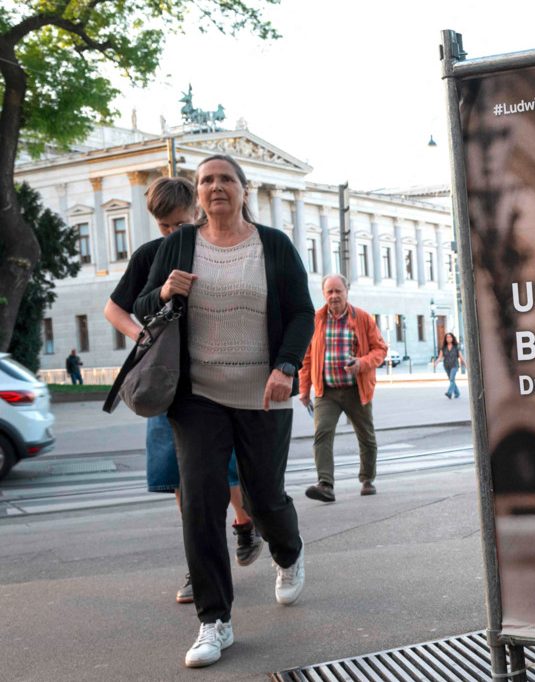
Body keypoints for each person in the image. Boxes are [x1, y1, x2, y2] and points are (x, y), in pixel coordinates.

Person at [134, 154, 313, 668]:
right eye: (207, 180)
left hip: (264, 393)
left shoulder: (272, 245)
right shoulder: (179, 244)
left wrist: (285, 366)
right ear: (198, 191)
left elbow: (302, 311)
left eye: (225, 179)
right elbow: (144, 305)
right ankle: (215, 621)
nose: (216, 187)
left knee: (262, 496)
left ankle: (289, 552)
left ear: (242, 188)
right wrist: (165, 290)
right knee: (200, 503)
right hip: (198, 398)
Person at [103, 176, 263, 605]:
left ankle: (245, 525)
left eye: (180, 224)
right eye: (165, 228)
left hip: (217, 380)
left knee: (226, 468)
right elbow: (114, 308)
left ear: (197, 211)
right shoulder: (151, 256)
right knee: (182, 477)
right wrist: (142, 336)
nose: (173, 234)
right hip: (170, 383)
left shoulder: (217, 250)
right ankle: (199, 566)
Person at [298, 274, 387, 502]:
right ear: (324, 294)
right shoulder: (317, 319)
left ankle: (367, 479)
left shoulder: (363, 318)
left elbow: (380, 350)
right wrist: (304, 389)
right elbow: (307, 357)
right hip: (326, 391)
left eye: (338, 291)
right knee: (322, 433)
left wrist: (361, 363)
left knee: (366, 435)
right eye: (330, 292)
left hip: (356, 389)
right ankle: (325, 484)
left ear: (347, 291)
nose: (334, 296)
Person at [433, 332, 465, 399]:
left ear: (452, 338)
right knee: (451, 380)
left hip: (454, 365)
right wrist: (436, 363)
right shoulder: (443, 347)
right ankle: (457, 393)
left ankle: (449, 393)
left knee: (452, 379)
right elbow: (440, 357)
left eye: (450, 337)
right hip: (446, 366)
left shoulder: (456, 347)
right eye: (447, 337)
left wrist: (465, 364)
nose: (449, 338)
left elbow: (461, 356)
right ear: (445, 339)